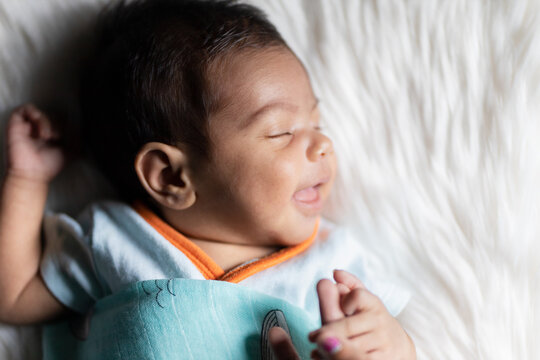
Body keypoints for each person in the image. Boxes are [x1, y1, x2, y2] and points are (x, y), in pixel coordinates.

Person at [0, 0, 415, 358]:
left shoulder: (333, 268)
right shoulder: (117, 238)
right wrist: (27, 179)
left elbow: (376, 342)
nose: (322, 144)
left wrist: (396, 348)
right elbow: (14, 296)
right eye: (281, 132)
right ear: (169, 176)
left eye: (317, 122)